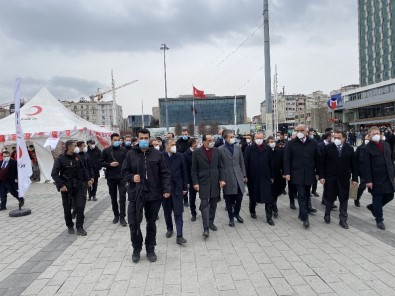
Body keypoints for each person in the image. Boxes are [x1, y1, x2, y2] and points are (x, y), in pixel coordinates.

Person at [122, 128, 171, 263]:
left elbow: (165, 173)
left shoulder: (157, 154)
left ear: (149, 139)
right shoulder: (130, 154)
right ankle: (136, 249)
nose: (143, 140)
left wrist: (166, 189)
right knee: (134, 223)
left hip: (154, 195)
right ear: (137, 139)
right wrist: (132, 177)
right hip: (136, 194)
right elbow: (124, 172)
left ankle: (150, 248)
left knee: (151, 223)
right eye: (141, 138)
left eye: (146, 138)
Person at [319, 131, 358, 229]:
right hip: (330, 178)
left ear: (344, 138)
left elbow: (354, 165)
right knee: (329, 198)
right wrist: (322, 176)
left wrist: (355, 178)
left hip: (344, 178)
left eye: (339, 137)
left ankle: (343, 219)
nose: (336, 139)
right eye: (334, 137)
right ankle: (327, 214)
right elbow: (322, 164)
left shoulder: (349, 149)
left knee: (344, 199)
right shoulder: (327, 148)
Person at [51, 140, 90, 236]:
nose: (76, 147)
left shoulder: (77, 157)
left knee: (80, 206)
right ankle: (70, 225)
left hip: (78, 186)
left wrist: (88, 179)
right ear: (69, 147)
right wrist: (61, 185)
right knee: (67, 208)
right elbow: (54, 174)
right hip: (66, 187)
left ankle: (80, 227)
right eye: (74, 146)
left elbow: (83, 169)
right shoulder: (60, 159)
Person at [284, 125, 319, 228]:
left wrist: (319, 173)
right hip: (296, 174)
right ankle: (305, 218)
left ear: (306, 131)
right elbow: (287, 160)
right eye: (297, 130)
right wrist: (287, 173)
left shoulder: (313, 143)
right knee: (301, 195)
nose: (299, 132)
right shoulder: (291, 144)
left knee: (307, 194)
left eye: (301, 130)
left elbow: (318, 159)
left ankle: (301, 213)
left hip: (309, 174)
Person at [363, 126, 395, 230]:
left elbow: (391, 160)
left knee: (390, 195)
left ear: (381, 134)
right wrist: (368, 180)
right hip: (375, 178)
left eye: (377, 133)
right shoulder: (367, 149)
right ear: (369, 136)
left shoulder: (386, 145)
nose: (376, 135)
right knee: (378, 198)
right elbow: (366, 166)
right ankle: (379, 219)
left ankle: (373, 207)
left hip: (388, 176)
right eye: (373, 134)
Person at [191, 134, 220, 237]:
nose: (211, 142)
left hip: (215, 181)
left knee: (214, 204)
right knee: (204, 205)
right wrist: (195, 183)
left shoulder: (216, 151)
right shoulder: (196, 153)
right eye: (209, 140)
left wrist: (222, 179)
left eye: (212, 140)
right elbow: (194, 170)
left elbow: (220, 166)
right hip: (203, 182)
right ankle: (206, 228)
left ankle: (211, 222)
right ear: (203, 142)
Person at [244, 132, 275, 225]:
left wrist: (272, 176)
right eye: (257, 138)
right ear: (254, 139)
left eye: (260, 138)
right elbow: (246, 163)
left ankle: (269, 217)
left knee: (268, 197)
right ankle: (252, 211)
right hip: (253, 176)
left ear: (263, 138)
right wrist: (245, 176)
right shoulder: (249, 149)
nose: (259, 140)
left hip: (265, 176)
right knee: (253, 195)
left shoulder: (268, 149)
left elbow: (271, 164)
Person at [161, 139, 188, 244]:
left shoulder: (179, 156)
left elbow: (184, 172)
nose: (174, 146)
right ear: (166, 146)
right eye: (172, 145)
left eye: (175, 144)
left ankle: (180, 235)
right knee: (167, 211)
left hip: (177, 188)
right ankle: (169, 228)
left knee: (178, 212)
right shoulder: (161, 156)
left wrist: (185, 187)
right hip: (165, 189)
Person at [218, 130, 247, 227]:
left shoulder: (237, 147)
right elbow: (220, 165)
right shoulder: (220, 149)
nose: (232, 138)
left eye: (233, 136)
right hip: (227, 177)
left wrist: (244, 175)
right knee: (228, 199)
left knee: (239, 197)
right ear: (225, 138)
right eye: (230, 137)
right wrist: (221, 179)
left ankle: (237, 214)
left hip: (238, 176)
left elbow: (241, 162)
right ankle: (231, 218)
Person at [100, 133, 128, 226]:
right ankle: (116, 215)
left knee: (122, 197)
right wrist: (109, 165)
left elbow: (128, 162)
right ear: (111, 140)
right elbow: (100, 162)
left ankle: (122, 217)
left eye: (118, 140)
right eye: (115, 140)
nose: (117, 142)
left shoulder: (124, 150)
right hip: (111, 177)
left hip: (122, 178)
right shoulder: (106, 151)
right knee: (113, 198)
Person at [271, 138, 286, 218]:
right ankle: (273, 208)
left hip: (277, 176)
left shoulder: (279, 152)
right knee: (270, 193)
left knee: (275, 193)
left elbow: (283, 163)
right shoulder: (265, 151)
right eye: (270, 142)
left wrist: (284, 173)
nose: (272, 143)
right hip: (267, 176)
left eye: (273, 142)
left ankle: (274, 206)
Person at [183, 138, 198, 221]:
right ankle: (193, 213)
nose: (197, 144)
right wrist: (187, 181)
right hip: (191, 180)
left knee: (204, 197)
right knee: (192, 198)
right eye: (196, 143)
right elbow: (185, 169)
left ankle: (201, 207)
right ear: (192, 144)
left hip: (200, 179)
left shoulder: (199, 152)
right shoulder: (186, 154)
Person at [354, 134, 370, 207]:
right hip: (363, 170)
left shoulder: (375, 147)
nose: (369, 137)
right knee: (363, 186)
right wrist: (355, 171)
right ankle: (357, 197)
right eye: (367, 136)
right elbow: (355, 159)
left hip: (374, 171)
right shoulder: (360, 148)